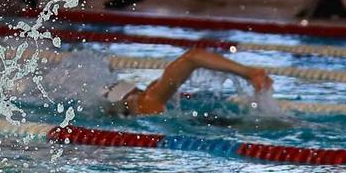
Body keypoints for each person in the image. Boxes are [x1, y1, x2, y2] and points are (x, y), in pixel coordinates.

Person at [103, 47, 271, 115]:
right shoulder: (149, 98)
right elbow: (192, 58)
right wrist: (247, 72)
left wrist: (249, 73)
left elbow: (191, 58)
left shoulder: (146, 102)